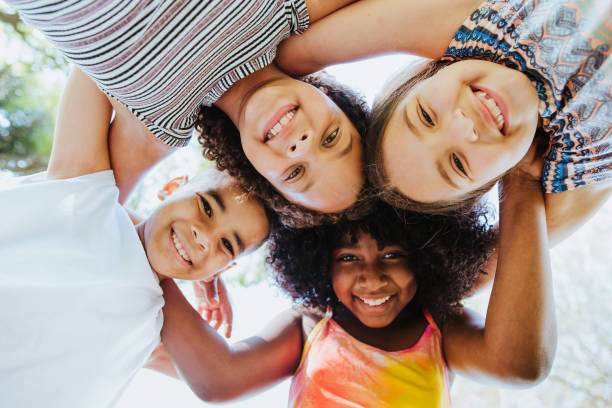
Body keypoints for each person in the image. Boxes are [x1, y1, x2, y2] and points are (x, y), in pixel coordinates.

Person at [157, 172, 555, 406]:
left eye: (392, 254)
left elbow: (519, 363)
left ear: (425, 257)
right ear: (321, 262)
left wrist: (519, 180)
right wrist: (166, 271)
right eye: (348, 258)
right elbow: (219, 378)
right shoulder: (310, 326)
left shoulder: (441, 329)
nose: (371, 276)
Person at [0, 68, 272, 408]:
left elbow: (221, 376)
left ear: (220, 270)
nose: (205, 238)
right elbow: (88, 61)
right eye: (205, 206)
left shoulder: (155, 326)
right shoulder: (88, 197)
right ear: (171, 187)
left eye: (227, 246)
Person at [4, 0, 371, 225]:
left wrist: (170, 273)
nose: (302, 148)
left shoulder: (158, 127)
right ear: (330, 97)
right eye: (332, 137)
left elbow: (75, 211)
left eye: (294, 173)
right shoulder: (289, 8)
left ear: (258, 175)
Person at [277, 0, 612, 242]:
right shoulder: (583, 153)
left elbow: (292, 54)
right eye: (457, 163)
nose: (464, 127)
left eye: (425, 116)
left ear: (428, 73)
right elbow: (492, 267)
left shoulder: (481, 27)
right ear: (494, 179)